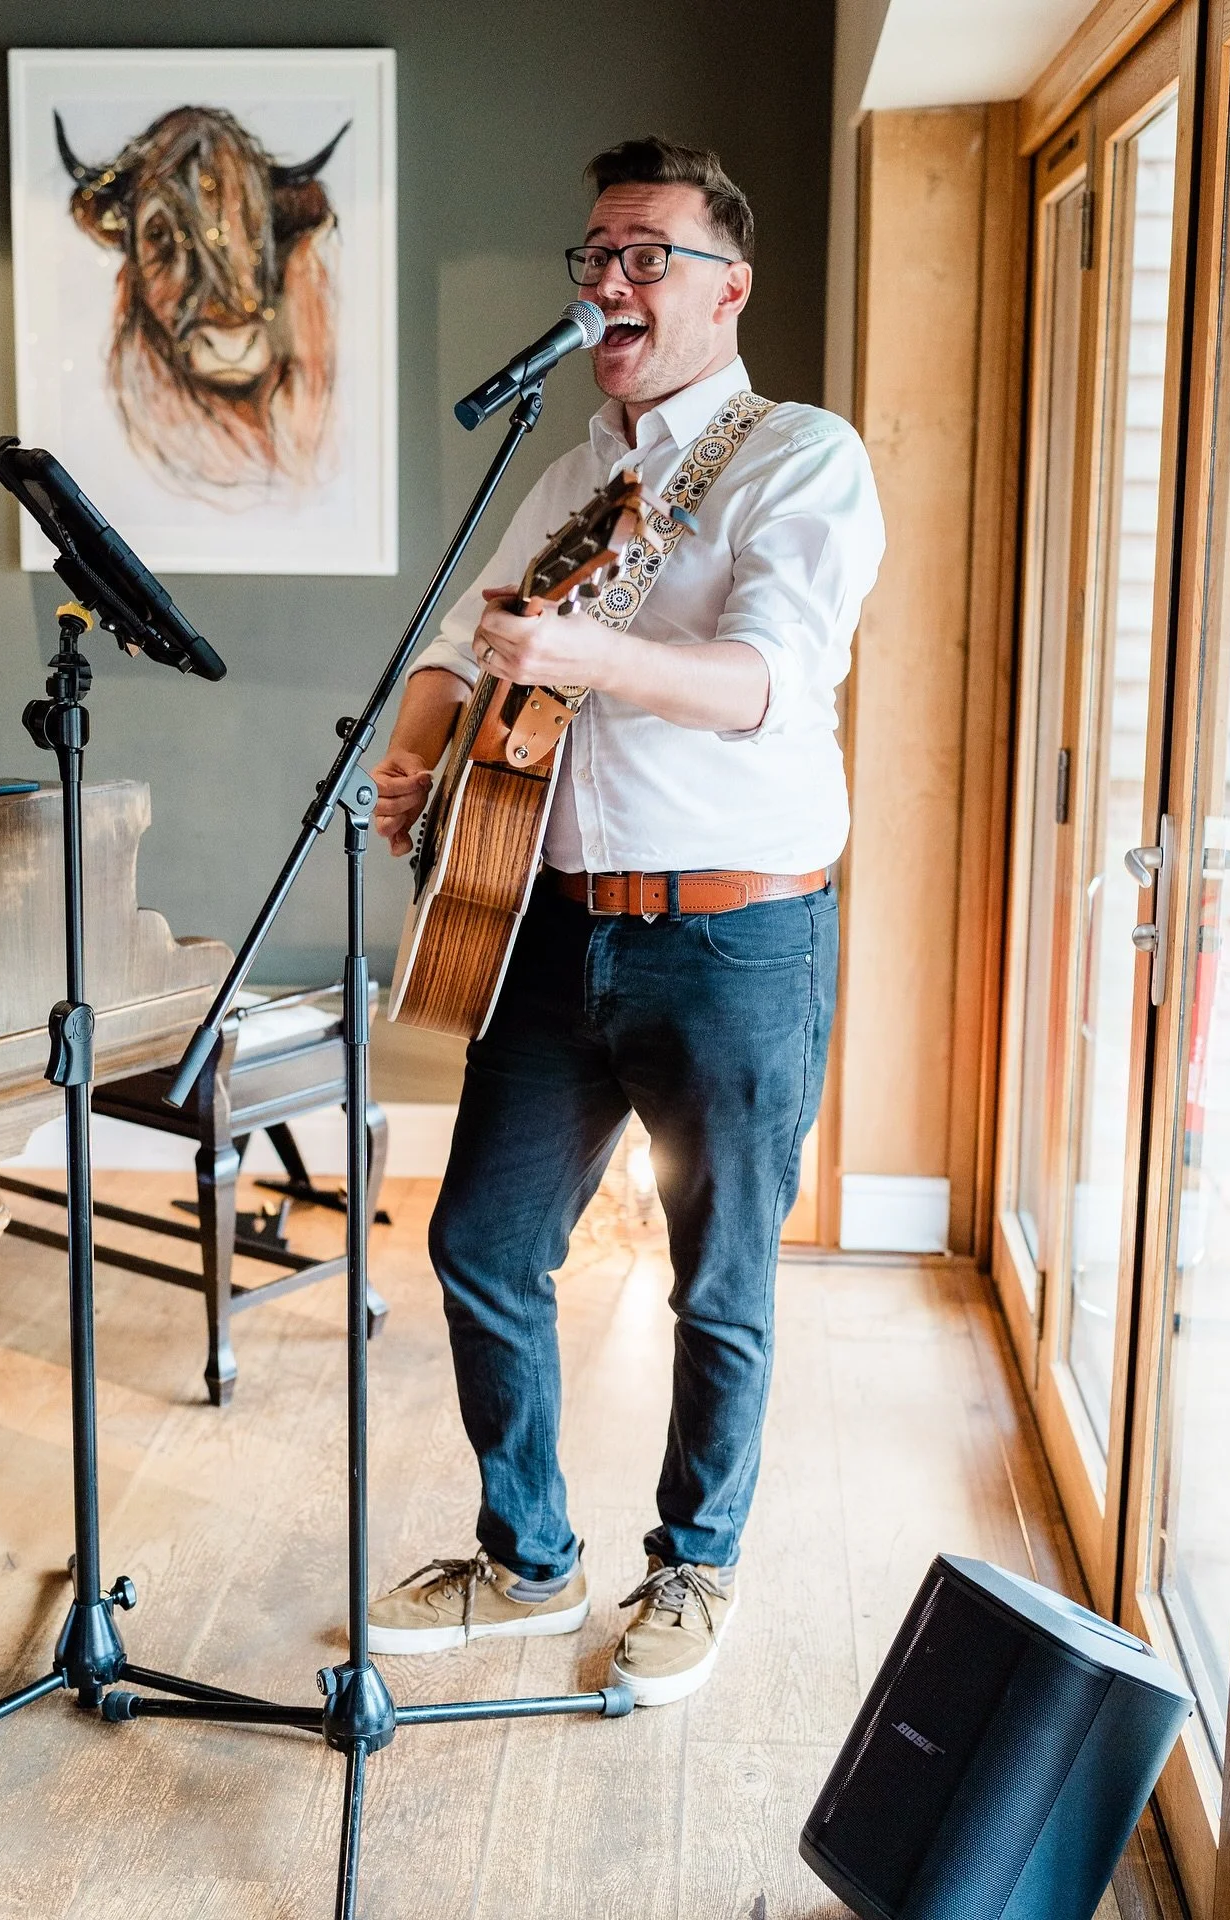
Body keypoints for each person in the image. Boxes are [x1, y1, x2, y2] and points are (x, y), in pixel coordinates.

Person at [365, 136, 884, 1707]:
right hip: (546, 919)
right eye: (594, 254)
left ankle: (692, 1565)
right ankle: (528, 1556)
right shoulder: (573, 470)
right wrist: (423, 733)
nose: (609, 281)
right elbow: (470, 636)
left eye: (647, 254)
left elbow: (760, 683)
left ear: (730, 286)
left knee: (718, 1277)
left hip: (736, 939)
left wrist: (589, 661)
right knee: (476, 1242)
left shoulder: (799, 458)